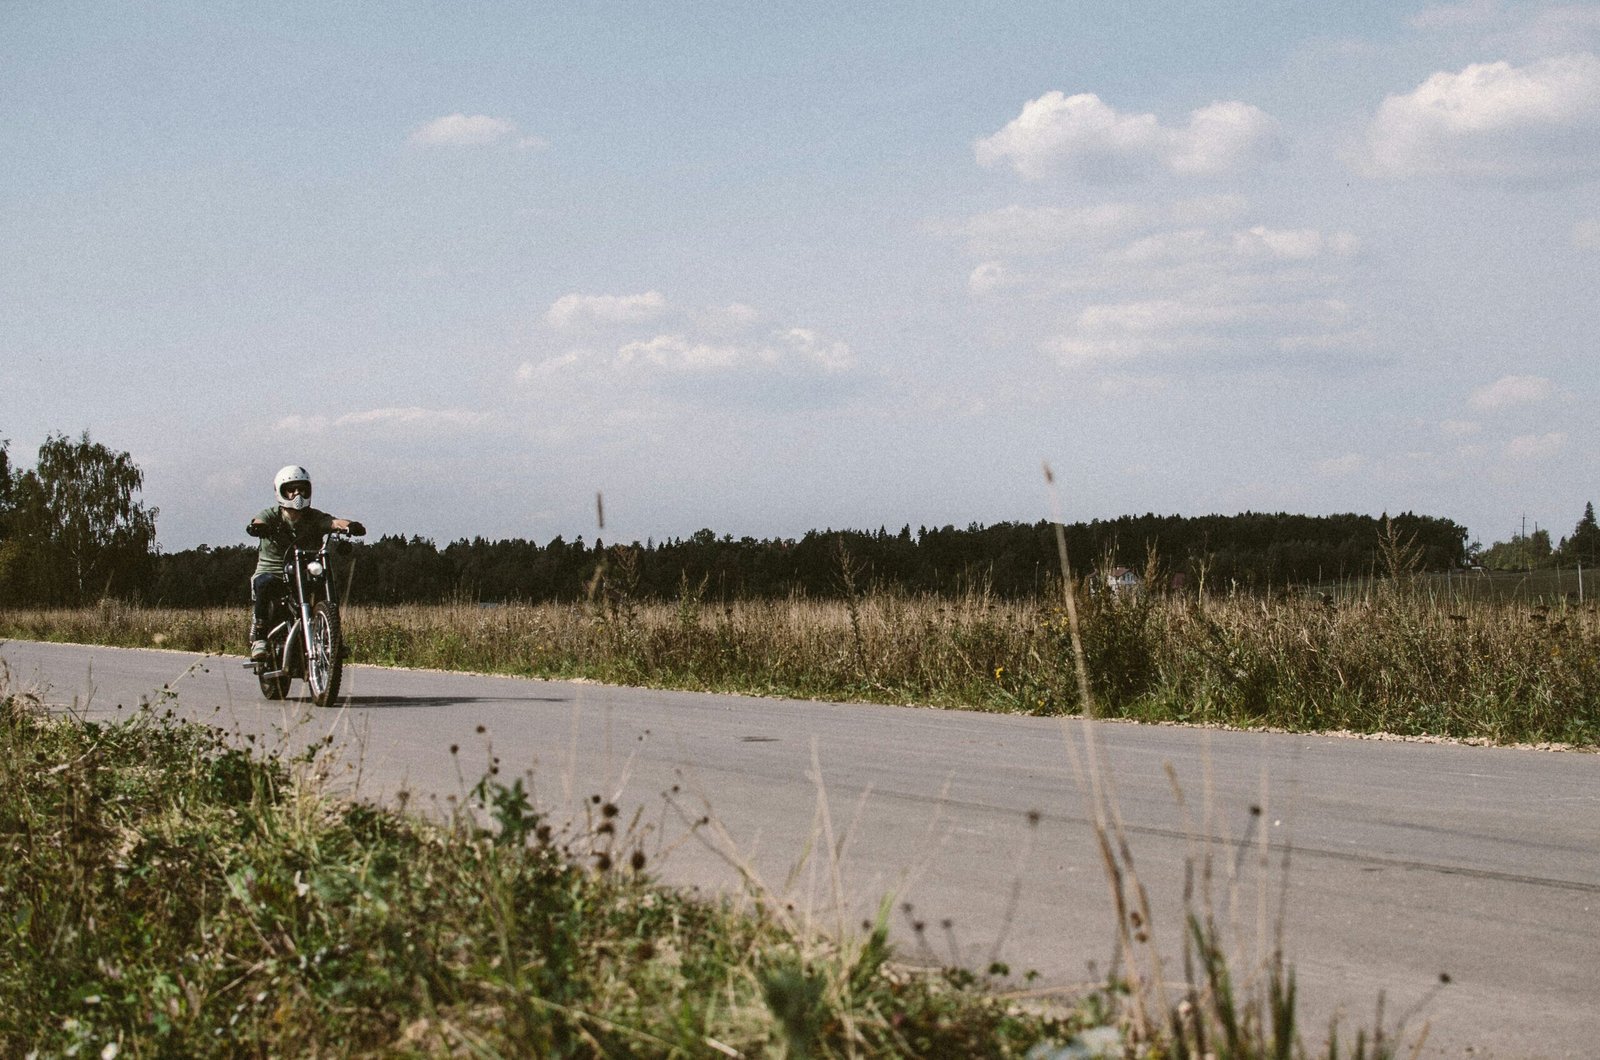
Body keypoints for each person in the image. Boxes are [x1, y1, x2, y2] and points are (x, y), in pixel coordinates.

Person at [246, 465, 364, 661]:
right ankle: (259, 637)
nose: (297, 494)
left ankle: (333, 639)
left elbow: (333, 522)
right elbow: (258, 521)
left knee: (325, 585)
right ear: (281, 491)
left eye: (302, 488)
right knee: (264, 582)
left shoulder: (314, 517)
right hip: (273, 571)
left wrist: (350, 525)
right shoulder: (272, 515)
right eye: (291, 489)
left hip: (305, 569)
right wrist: (258, 528)